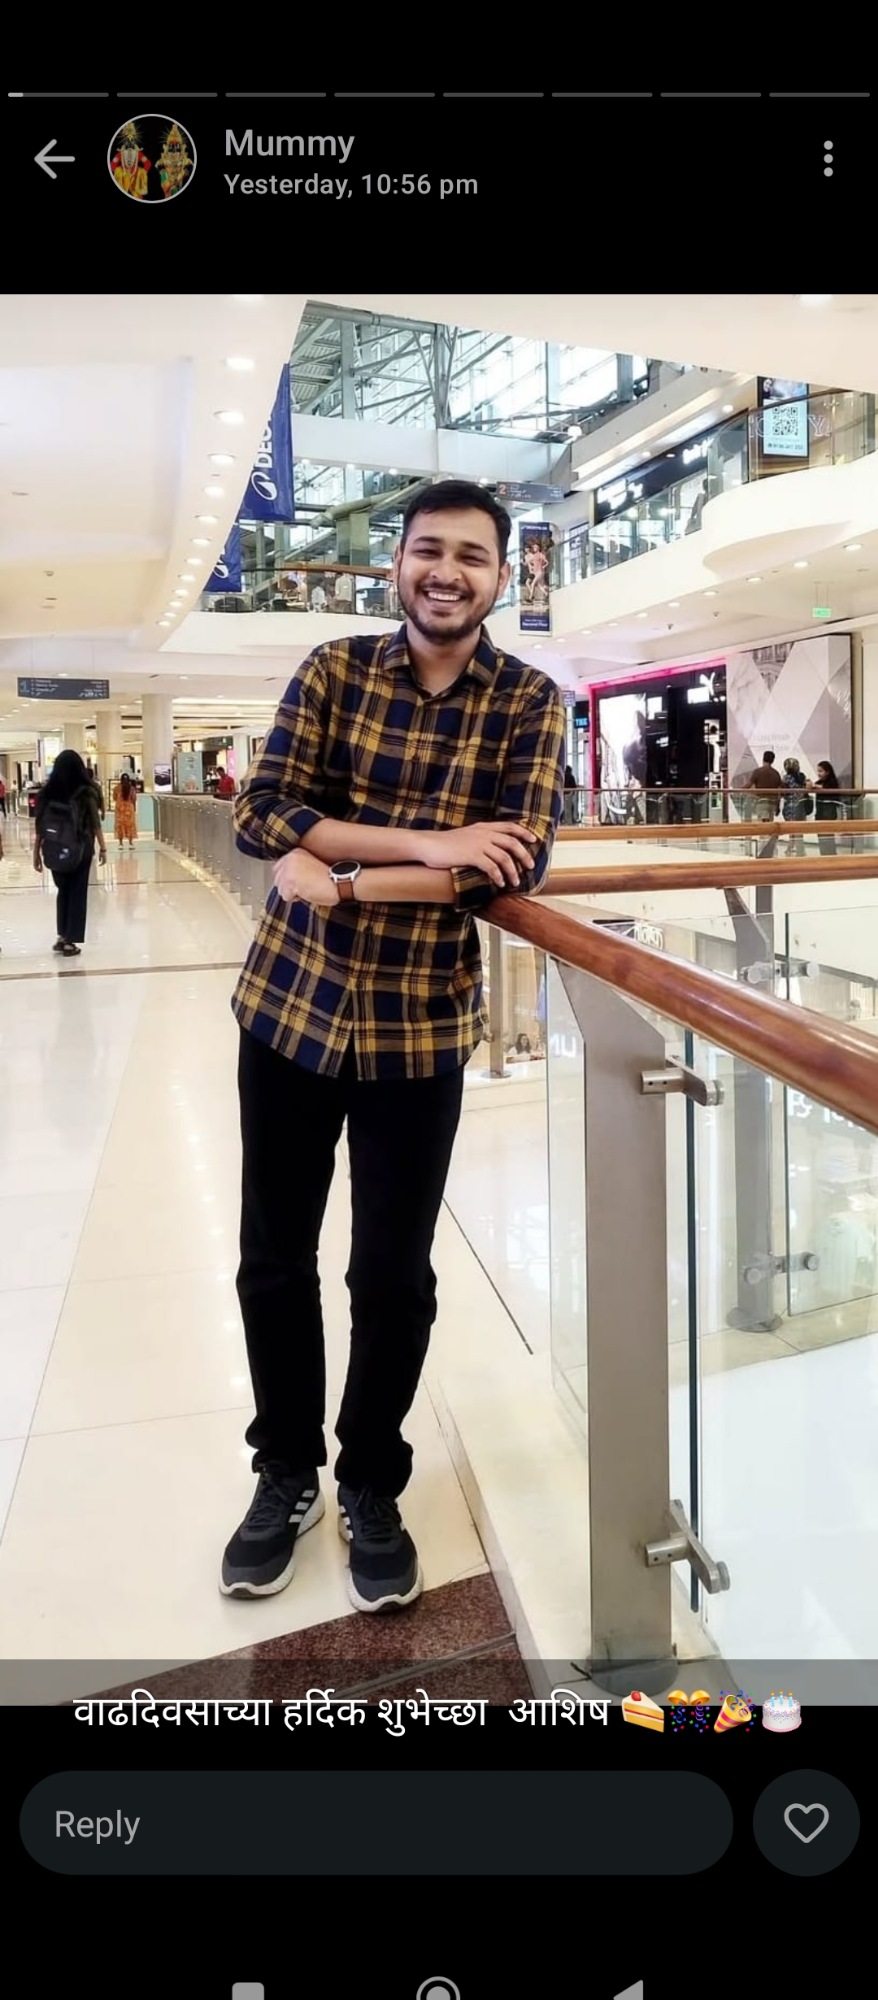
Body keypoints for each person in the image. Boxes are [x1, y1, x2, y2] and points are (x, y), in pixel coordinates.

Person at [222, 477, 566, 1611]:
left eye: (471, 555)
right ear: (396, 563)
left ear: (501, 576)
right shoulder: (333, 669)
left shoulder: (529, 701)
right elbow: (263, 812)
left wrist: (340, 872)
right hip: (290, 1008)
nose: (445, 572)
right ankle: (285, 1470)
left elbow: (507, 864)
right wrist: (428, 843)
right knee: (274, 1257)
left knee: (392, 1272)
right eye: (428, 550)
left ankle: (371, 1479)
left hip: (419, 1027)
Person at [33, 750, 106, 956]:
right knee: (77, 892)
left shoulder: (47, 793)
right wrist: (103, 847)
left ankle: (62, 936)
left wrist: (36, 852)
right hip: (81, 848)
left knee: (63, 891)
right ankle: (69, 940)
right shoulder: (86, 792)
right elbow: (95, 823)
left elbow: (40, 825)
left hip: (54, 848)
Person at [811, 759, 841, 855]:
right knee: (821, 835)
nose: (819, 773)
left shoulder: (832, 782)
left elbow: (827, 788)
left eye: (821, 771)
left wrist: (816, 786)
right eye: (818, 771)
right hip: (820, 812)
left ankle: (830, 855)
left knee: (828, 835)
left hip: (829, 812)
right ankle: (824, 854)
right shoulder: (819, 782)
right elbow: (815, 786)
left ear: (827, 772)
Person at [781, 756, 810, 855]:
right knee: (799, 830)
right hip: (801, 805)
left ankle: (792, 849)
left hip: (790, 806)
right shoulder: (802, 777)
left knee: (792, 830)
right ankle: (798, 849)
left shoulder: (786, 778)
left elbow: (784, 792)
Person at [744, 749, 782, 822]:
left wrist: (737, 789)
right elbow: (780, 791)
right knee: (770, 824)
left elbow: (748, 785)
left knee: (762, 824)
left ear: (763, 759)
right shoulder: (776, 773)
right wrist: (778, 805)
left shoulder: (757, 772)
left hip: (761, 801)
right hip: (772, 803)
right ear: (773, 761)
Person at [113, 771, 138, 851]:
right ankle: (130, 842)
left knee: (120, 825)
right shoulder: (132, 788)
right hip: (129, 809)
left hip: (120, 809)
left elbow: (114, 798)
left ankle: (120, 843)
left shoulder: (117, 788)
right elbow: (134, 798)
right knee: (130, 825)